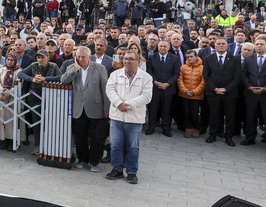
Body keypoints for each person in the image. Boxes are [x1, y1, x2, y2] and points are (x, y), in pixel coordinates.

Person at [105, 50, 153, 184]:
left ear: (138, 62)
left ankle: (132, 172)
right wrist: (119, 103)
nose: (127, 61)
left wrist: (128, 105)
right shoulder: (115, 74)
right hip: (117, 116)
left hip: (134, 118)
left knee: (133, 147)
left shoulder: (146, 77)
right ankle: (117, 169)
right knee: (115, 145)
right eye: (125, 59)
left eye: (131, 59)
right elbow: (109, 90)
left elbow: (146, 96)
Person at [61, 47, 110, 172]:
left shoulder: (100, 68)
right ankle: (82, 159)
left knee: (97, 137)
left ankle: (94, 161)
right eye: (78, 56)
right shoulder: (72, 68)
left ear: (89, 57)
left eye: (83, 57)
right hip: (78, 108)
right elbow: (63, 81)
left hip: (96, 108)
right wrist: (75, 70)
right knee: (80, 136)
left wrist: (106, 108)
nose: (80, 59)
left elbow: (105, 89)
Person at [202, 37, 241, 146]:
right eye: (218, 43)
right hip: (213, 92)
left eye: (223, 43)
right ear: (214, 46)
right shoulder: (209, 58)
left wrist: (226, 89)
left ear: (227, 45)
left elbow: (237, 77)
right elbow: (206, 75)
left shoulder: (234, 59)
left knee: (229, 115)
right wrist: (214, 88)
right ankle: (212, 134)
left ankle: (228, 136)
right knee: (213, 114)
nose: (221, 45)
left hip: (229, 93)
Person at [146, 40, 181, 137]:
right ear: (158, 47)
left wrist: (168, 83)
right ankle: (151, 127)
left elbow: (176, 73)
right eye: (161, 46)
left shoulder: (174, 58)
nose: (162, 48)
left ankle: (166, 128)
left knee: (167, 109)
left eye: (165, 46)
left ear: (169, 48)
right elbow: (149, 71)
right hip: (155, 88)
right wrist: (155, 81)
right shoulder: (152, 57)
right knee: (153, 109)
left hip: (168, 88)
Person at [0, 52, 20, 151]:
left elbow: (18, 85)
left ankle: (11, 141)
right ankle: (3, 140)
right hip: (1, 98)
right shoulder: (1, 70)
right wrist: (3, 92)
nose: (9, 62)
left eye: (12, 60)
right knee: (2, 120)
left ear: (15, 61)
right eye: (8, 59)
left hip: (12, 99)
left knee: (11, 122)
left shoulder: (18, 71)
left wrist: (9, 93)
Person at [177, 49, 205, 138]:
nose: (189, 58)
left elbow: (203, 82)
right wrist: (185, 91)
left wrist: (194, 91)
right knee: (186, 112)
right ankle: (188, 128)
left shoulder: (202, 68)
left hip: (196, 95)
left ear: (196, 57)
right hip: (184, 94)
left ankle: (196, 128)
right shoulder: (183, 67)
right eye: (188, 57)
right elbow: (180, 80)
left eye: (191, 56)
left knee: (194, 113)